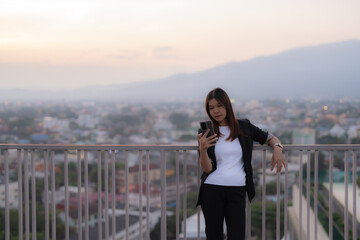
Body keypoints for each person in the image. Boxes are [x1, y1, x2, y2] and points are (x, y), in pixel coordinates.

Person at [196, 88, 285, 240]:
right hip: (212, 190)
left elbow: (268, 137)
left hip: (237, 189)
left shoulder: (244, 126)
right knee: (213, 236)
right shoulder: (207, 132)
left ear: (227, 106)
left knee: (237, 235)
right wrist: (202, 149)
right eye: (211, 108)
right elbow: (207, 168)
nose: (216, 111)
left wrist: (277, 147)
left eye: (219, 105)